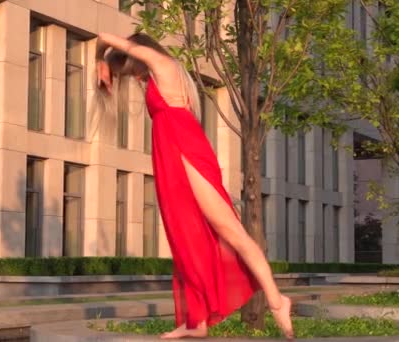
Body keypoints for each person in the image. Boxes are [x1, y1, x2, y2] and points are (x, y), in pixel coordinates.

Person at [96, 32, 293, 340]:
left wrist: (100, 60)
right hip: (171, 160)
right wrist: (108, 67)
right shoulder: (153, 75)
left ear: (139, 52)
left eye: (128, 66)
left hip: (186, 154)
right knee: (184, 238)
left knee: (231, 231)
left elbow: (103, 36)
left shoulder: (162, 63)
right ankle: (195, 322)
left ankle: (277, 300)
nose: (131, 75)